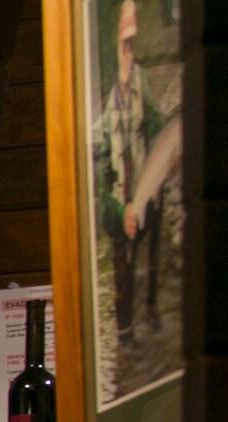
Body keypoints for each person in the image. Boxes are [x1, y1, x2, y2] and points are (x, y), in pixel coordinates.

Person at [96, 0, 167, 345]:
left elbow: (152, 120)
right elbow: (100, 160)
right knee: (122, 260)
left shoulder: (140, 78)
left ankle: (150, 308)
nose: (128, 50)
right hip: (117, 192)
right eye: (124, 42)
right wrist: (117, 205)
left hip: (143, 183)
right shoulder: (106, 94)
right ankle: (124, 328)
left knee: (151, 245)